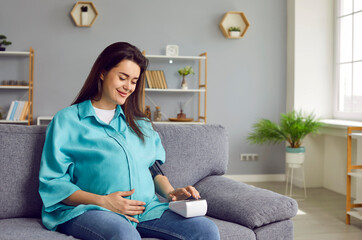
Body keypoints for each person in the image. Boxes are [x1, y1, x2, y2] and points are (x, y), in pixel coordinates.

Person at [38, 42, 220, 240]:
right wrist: (104, 202)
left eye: (133, 81)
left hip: (147, 210)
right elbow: (53, 182)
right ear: (102, 72)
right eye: (122, 78)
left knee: (206, 230)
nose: (128, 87)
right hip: (91, 210)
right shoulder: (68, 120)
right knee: (125, 235)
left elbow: (152, 167)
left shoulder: (140, 123)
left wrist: (171, 193)